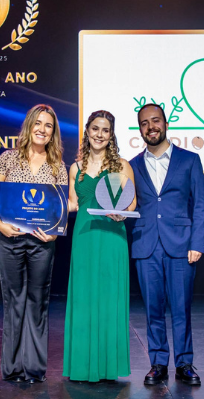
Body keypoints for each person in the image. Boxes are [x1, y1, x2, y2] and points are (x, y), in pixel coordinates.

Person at [0, 104, 69, 383]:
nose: (42, 129)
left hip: (42, 243)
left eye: (48, 125)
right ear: (29, 126)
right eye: (38, 123)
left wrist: (55, 233)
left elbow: (61, 209)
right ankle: (12, 368)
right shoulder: (8, 158)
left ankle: (34, 368)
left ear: (53, 132)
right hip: (9, 241)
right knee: (13, 301)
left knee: (37, 301)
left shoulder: (58, 165)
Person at [130, 103, 204, 386]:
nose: (150, 127)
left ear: (165, 123)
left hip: (182, 244)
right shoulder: (132, 165)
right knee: (153, 308)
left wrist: (197, 243)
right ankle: (158, 362)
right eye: (144, 123)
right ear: (140, 129)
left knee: (181, 308)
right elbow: (126, 202)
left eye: (155, 121)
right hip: (146, 244)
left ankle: (184, 363)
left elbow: (200, 205)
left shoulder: (189, 160)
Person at [62, 110, 135, 382]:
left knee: (109, 297)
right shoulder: (75, 168)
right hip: (84, 238)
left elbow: (132, 202)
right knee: (83, 297)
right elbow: (73, 203)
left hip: (112, 237)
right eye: (95, 128)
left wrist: (123, 212)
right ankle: (82, 366)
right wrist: (49, 204)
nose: (99, 135)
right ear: (87, 131)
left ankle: (107, 367)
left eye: (105, 130)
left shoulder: (121, 166)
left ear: (111, 135)